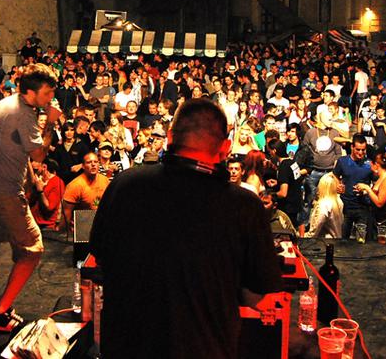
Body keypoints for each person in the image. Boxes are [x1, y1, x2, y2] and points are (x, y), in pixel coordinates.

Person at [89, 98, 282, 359]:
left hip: (127, 347)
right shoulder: (245, 205)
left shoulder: (125, 185)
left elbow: (100, 257)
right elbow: (258, 295)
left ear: (170, 137)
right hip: (205, 349)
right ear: (225, 148)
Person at [0, 63, 60, 332]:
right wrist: (51, 122)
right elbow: (38, 155)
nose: (51, 98)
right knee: (33, 249)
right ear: (32, 92)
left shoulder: (5, 102)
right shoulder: (25, 115)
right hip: (5, 192)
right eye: (47, 93)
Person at [334, 135, 374, 239]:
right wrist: (338, 185)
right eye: (358, 149)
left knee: (361, 238)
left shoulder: (369, 164)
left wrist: (365, 191)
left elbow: (376, 184)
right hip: (345, 205)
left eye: (363, 150)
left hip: (362, 206)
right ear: (352, 147)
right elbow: (335, 175)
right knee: (343, 238)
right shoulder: (342, 161)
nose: (360, 152)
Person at [61, 151, 109, 229]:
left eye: (96, 162)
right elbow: (66, 215)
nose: (93, 164)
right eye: (89, 162)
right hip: (82, 226)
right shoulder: (75, 185)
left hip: (101, 224)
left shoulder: (105, 180)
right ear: (83, 166)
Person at [307, 172, 344, 239]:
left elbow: (315, 228)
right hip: (337, 239)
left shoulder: (323, 205)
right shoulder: (339, 201)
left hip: (324, 242)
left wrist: (303, 238)